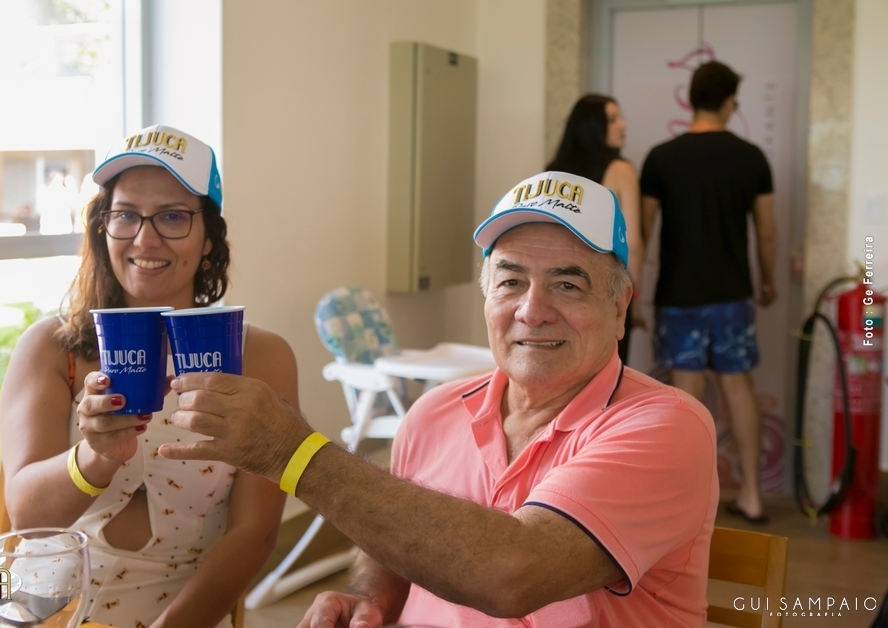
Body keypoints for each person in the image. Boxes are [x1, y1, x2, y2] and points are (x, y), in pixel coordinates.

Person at [158, 171, 720, 627]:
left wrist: (292, 453)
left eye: (567, 285)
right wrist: (370, 597)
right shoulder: (433, 413)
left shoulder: (667, 426)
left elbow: (514, 573)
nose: (531, 310)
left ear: (620, 309)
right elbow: (392, 541)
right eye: (510, 281)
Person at [0, 124, 298, 628]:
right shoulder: (51, 347)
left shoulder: (261, 357)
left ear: (209, 238)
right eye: (126, 215)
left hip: (179, 609)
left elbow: (254, 533)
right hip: (49, 603)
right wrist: (95, 454)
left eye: (173, 216)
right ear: (103, 229)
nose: (145, 237)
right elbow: (28, 518)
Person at [640, 60, 777, 525]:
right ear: (728, 101)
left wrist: (632, 288)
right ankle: (752, 495)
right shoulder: (751, 157)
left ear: (691, 99)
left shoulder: (661, 158)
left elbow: (642, 230)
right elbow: (767, 231)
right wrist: (767, 280)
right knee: (738, 387)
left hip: (679, 293)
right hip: (733, 293)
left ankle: (688, 503)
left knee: (686, 395)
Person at [547, 94, 645, 362]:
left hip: (559, 286)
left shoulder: (553, 171)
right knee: (607, 370)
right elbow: (633, 244)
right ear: (592, 127)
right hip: (606, 288)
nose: (623, 125)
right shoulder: (620, 170)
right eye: (612, 119)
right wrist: (634, 297)